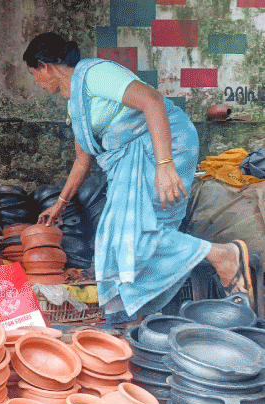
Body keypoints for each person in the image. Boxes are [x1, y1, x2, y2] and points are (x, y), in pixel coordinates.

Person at [23, 32, 253, 325]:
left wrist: (165, 164)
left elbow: (152, 101)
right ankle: (133, 319)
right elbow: (83, 158)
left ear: (45, 65)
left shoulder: (96, 74)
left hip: (160, 149)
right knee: (112, 241)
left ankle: (223, 256)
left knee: (135, 234)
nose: (38, 84)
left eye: (34, 75)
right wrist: (60, 203)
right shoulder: (76, 103)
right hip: (132, 163)